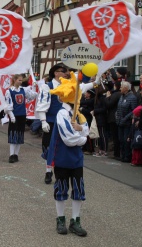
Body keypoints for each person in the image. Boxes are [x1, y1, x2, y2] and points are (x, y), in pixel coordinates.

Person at [46, 72, 89, 237]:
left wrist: (81, 132)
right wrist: (83, 138)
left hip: (76, 159)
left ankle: (75, 220)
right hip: (63, 157)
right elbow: (70, 139)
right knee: (61, 188)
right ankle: (60, 219)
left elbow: (86, 129)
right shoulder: (61, 114)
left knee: (78, 189)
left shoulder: (78, 113)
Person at [4, 74, 38, 163]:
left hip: (22, 115)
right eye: (19, 80)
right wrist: (11, 116)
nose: (20, 82)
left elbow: (32, 96)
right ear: (14, 80)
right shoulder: (9, 91)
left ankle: (16, 155)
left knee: (19, 135)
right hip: (14, 115)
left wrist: (34, 87)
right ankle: (11, 155)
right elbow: (7, 105)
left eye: (21, 80)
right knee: (13, 134)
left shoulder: (23, 90)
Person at [115, 81, 138, 163]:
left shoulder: (132, 97)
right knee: (121, 139)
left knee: (126, 140)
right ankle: (123, 155)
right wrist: (117, 117)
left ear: (126, 88)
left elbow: (133, 111)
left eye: (121, 87)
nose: (120, 88)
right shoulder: (122, 97)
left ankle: (127, 156)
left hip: (127, 123)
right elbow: (118, 108)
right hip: (119, 122)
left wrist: (125, 118)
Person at [104, 81, 122, 159]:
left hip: (113, 117)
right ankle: (117, 153)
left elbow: (109, 104)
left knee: (115, 136)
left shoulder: (116, 94)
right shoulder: (119, 94)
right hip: (115, 117)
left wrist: (107, 97)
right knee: (116, 136)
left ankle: (116, 153)